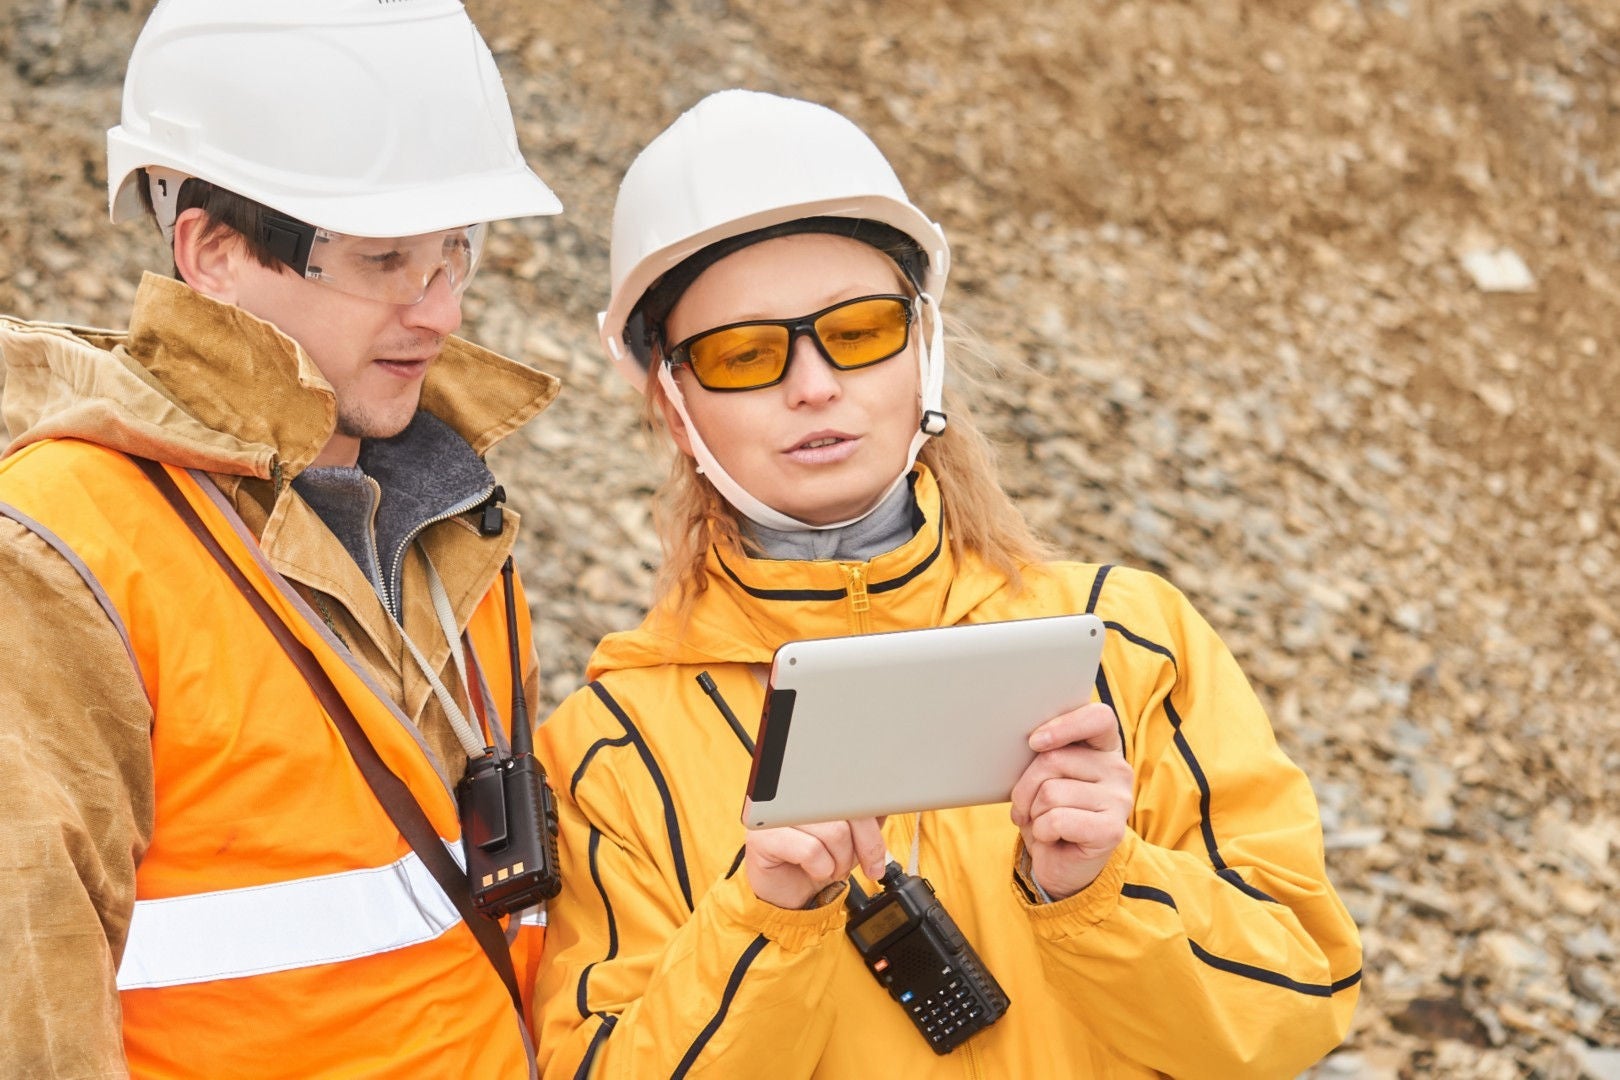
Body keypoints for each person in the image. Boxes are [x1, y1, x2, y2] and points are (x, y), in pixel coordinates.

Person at [532, 88, 1363, 1078]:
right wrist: (761, 924)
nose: (813, 384)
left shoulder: (1130, 640)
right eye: (742, 353)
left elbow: (1299, 1006)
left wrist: (1104, 888)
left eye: (860, 329)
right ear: (675, 406)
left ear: (921, 348)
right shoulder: (612, 748)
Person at [0, 1, 565, 1075]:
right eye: (386, 257)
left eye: (457, 253)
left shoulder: (456, 522)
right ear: (211, 250)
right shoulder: (59, 557)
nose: (440, 311)